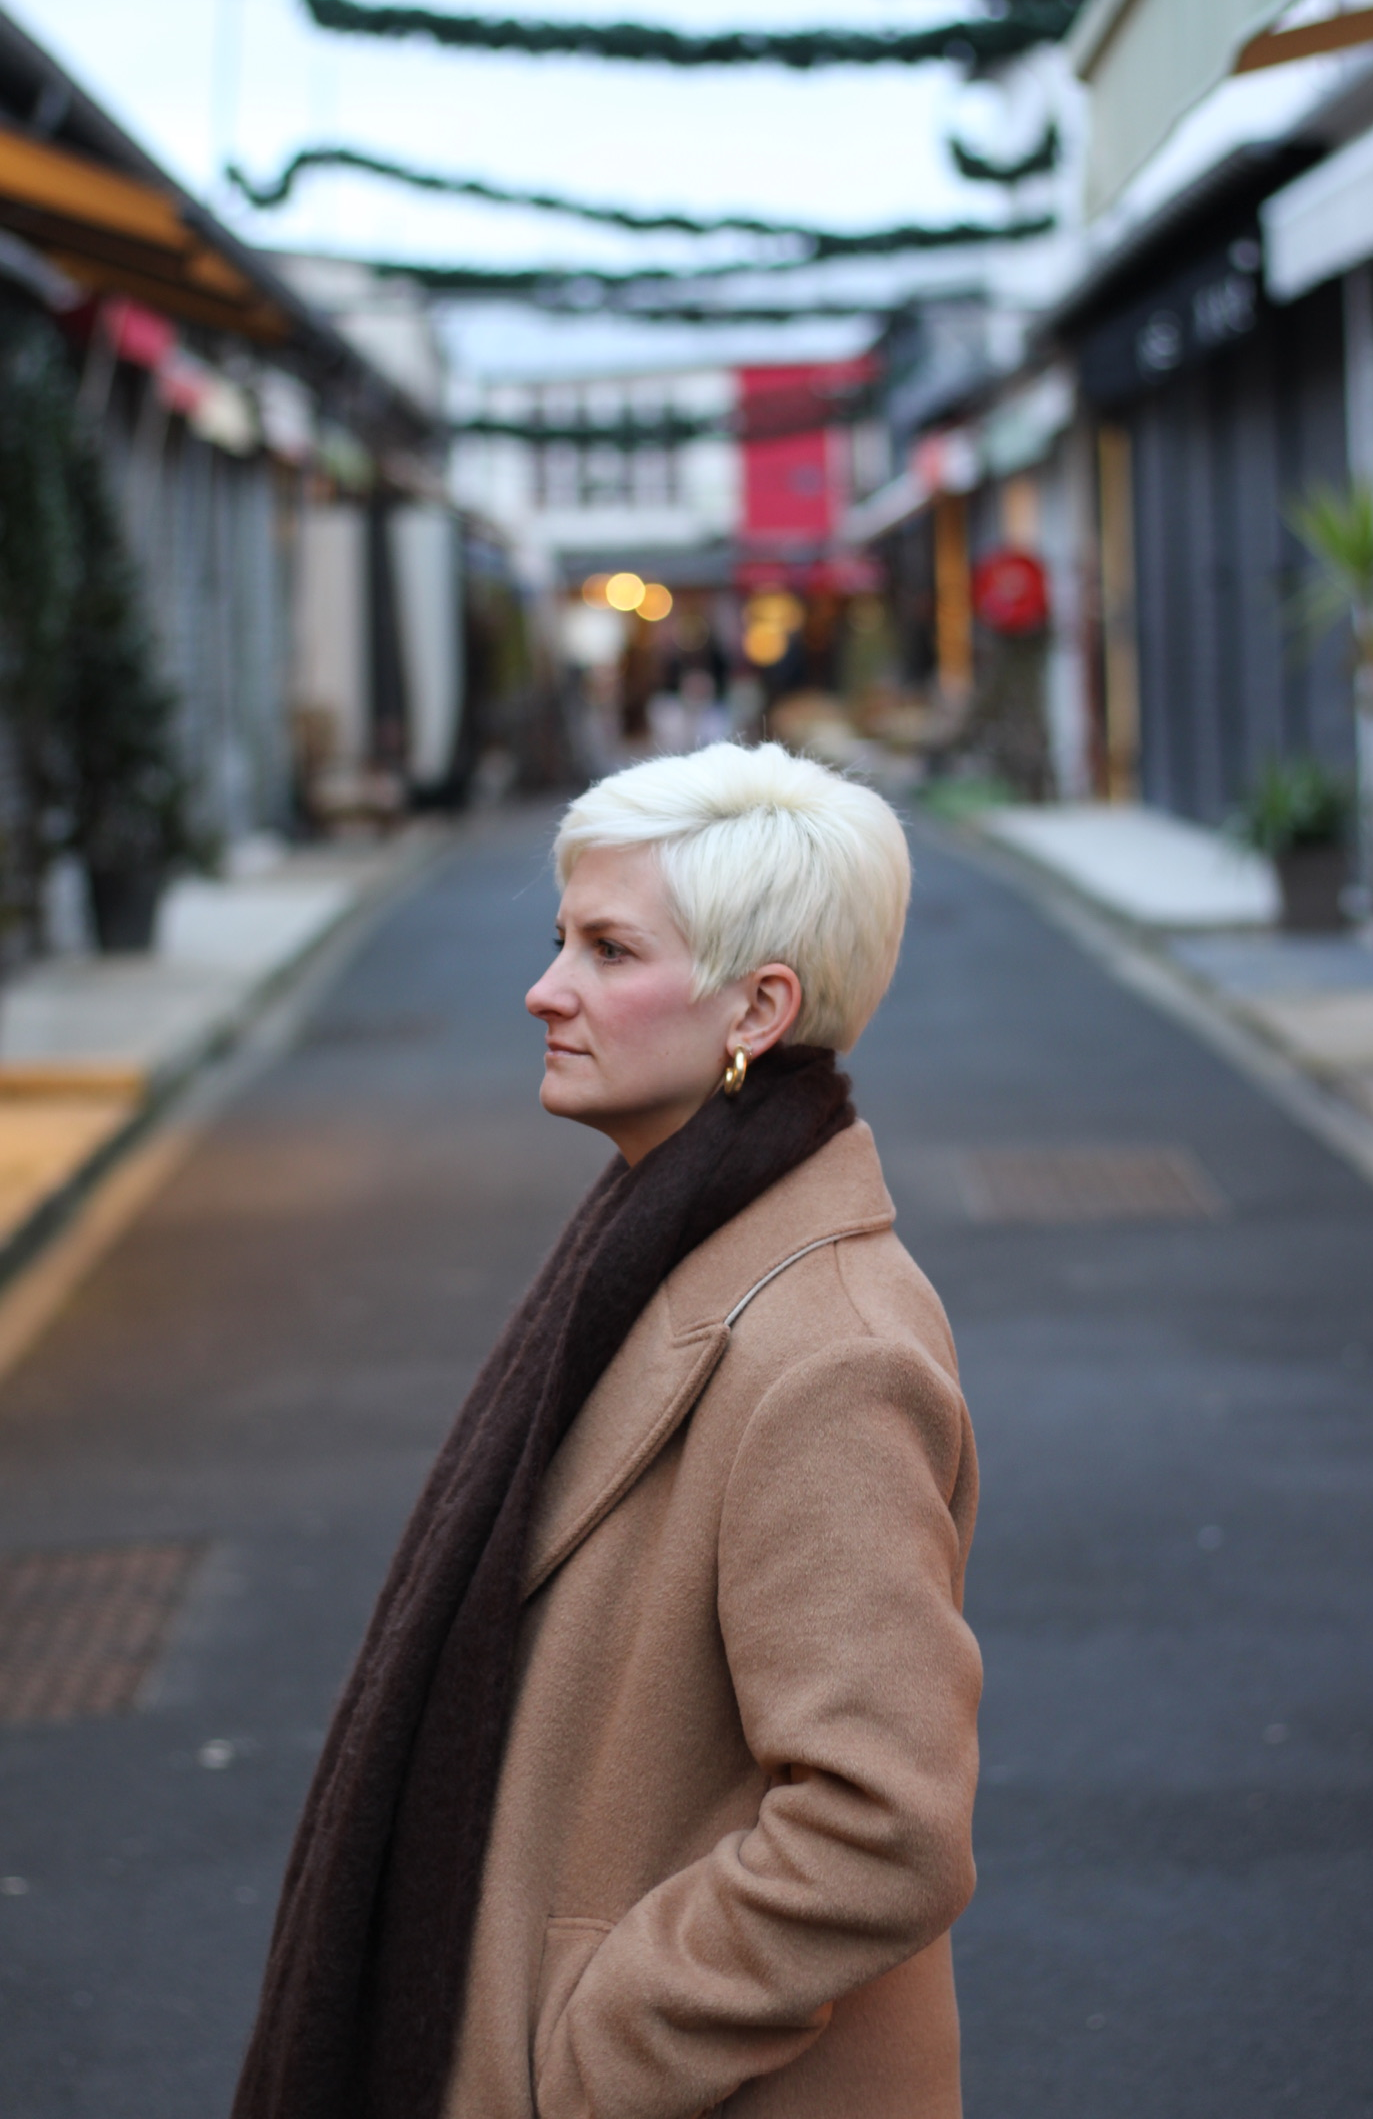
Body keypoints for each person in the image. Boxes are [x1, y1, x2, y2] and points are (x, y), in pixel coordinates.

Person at [232, 741, 982, 2119]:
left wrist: (591, 2053)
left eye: (607, 950)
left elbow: (884, 1830)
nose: (545, 988)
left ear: (758, 1007)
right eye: (558, 937)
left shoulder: (825, 1353)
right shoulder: (653, 1249)